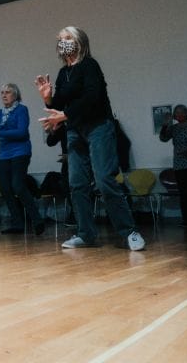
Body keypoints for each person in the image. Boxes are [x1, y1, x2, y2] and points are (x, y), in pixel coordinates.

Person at [36, 26, 145, 251]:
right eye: (60, 40)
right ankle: (85, 234)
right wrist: (48, 98)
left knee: (105, 180)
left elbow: (92, 98)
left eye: (66, 38)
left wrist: (64, 115)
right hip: (75, 130)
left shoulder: (89, 66)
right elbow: (59, 104)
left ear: (78, 41)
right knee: (76, 183)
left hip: (99, 126)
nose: (62, 42)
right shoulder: (62, 73)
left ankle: (129, 231)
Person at [0, 83, 44, 236]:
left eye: (7, 92)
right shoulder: (1, 113)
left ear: (15, 95)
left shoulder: (22, 110)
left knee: (18, 186)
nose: (4, 95)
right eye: (2, 92)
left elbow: (21, 132)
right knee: (5, 188)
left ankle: (37, 220)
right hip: (4, 154)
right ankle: (17, 223)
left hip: (20, 152)